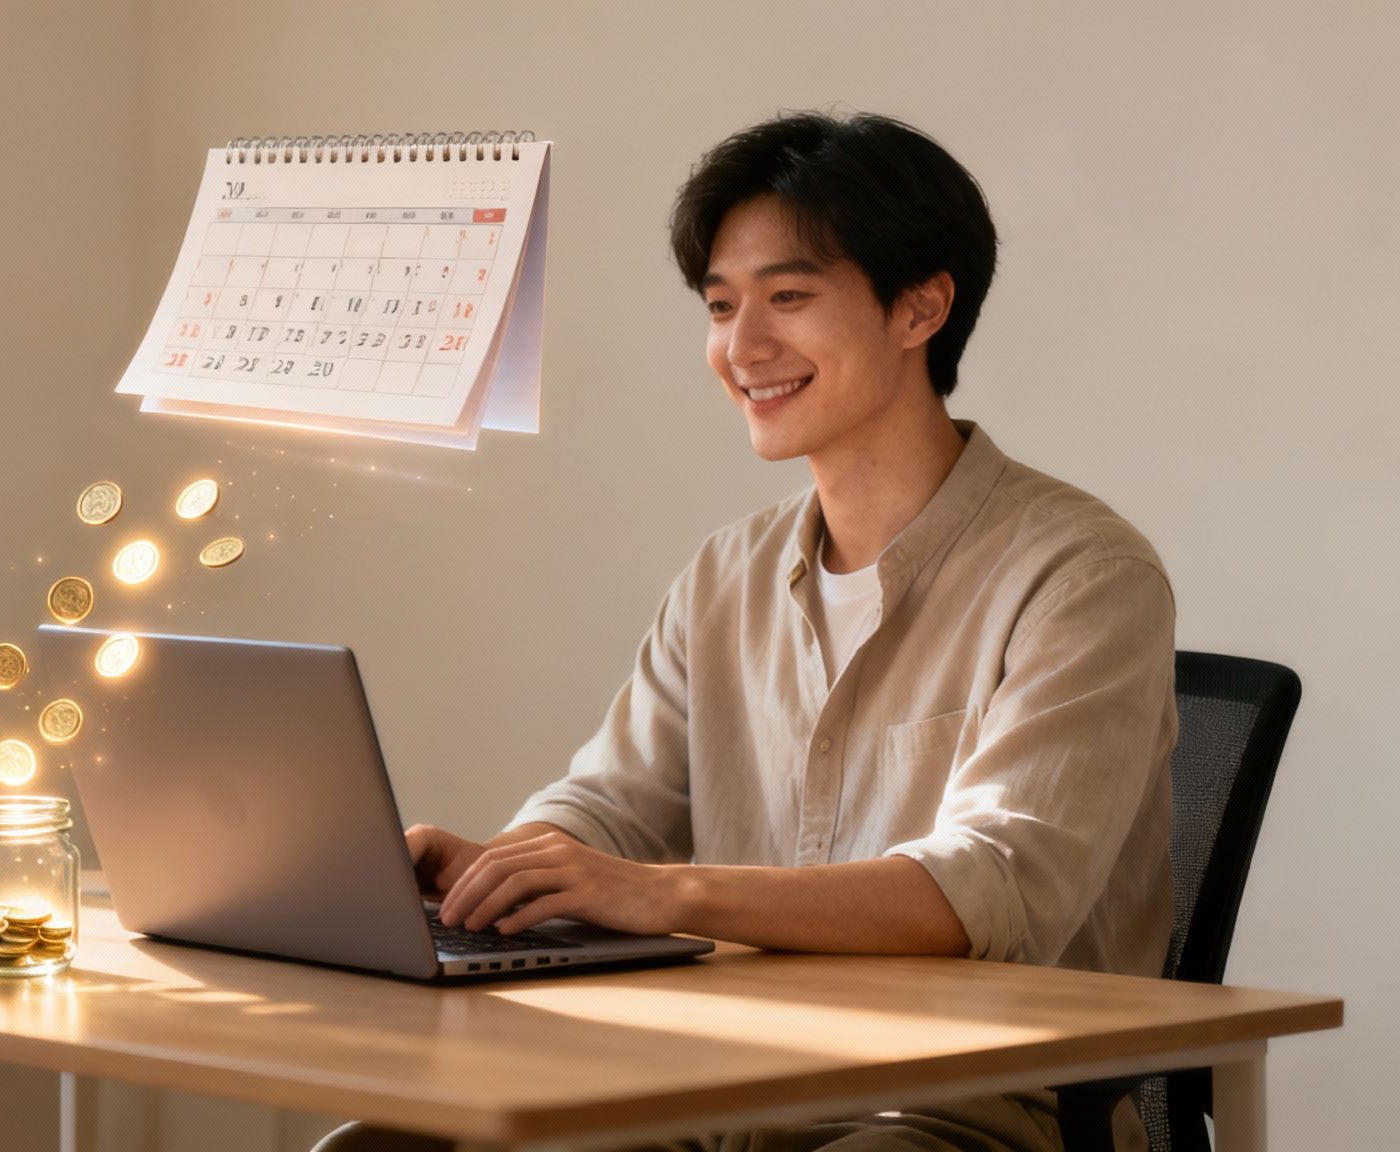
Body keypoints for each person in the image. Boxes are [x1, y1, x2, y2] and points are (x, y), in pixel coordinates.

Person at [314, 109, 1176, 1152]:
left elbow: (988, 886)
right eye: (720, 306)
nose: (741, 347)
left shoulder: (1081, 574)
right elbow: (613, 806)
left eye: (788, 297)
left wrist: (658, 892)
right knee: (383, 1142)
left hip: (960, 1111)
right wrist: (504, 867)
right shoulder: (725, 574)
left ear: (920, 308)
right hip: (718, 1086)